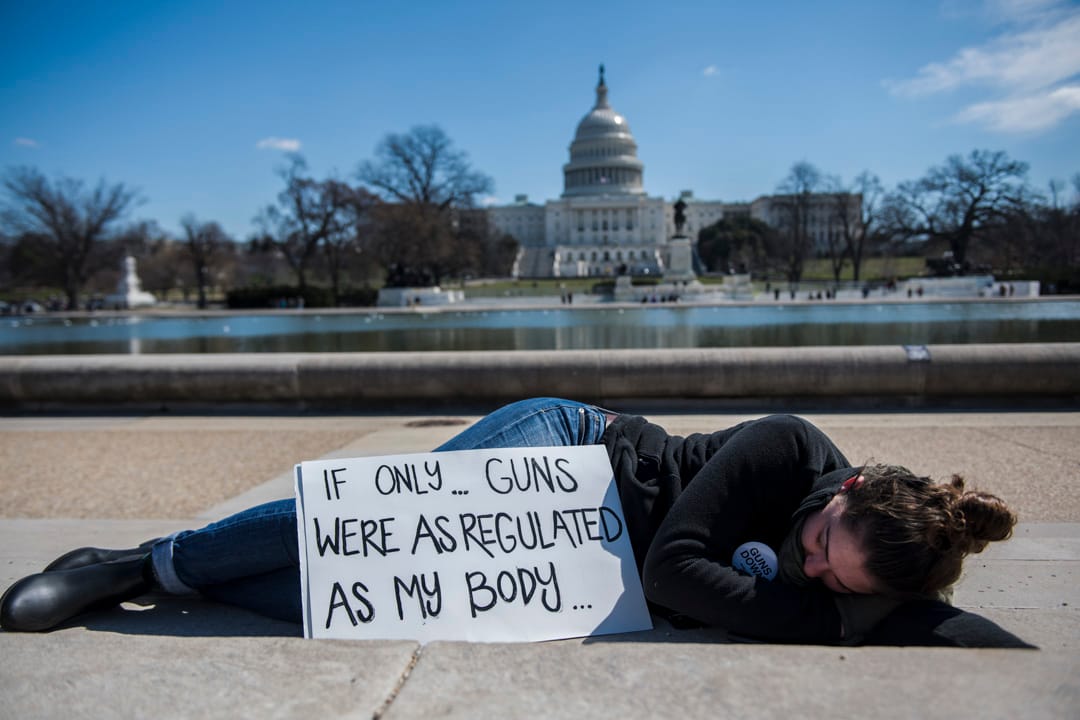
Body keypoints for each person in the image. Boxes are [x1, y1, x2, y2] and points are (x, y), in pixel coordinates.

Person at [0, 398, 1028, 647]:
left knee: (351, 606)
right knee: (363, 532)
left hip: (586, 558)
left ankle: (176, 581)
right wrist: (812, 615)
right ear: (844, 495)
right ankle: (137, 563)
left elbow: (955, 632)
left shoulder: (883, 558)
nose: (812, 572)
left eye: (838, 585)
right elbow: (673, 572)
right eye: (819, 550)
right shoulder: (786, 446)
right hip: (561, 455)